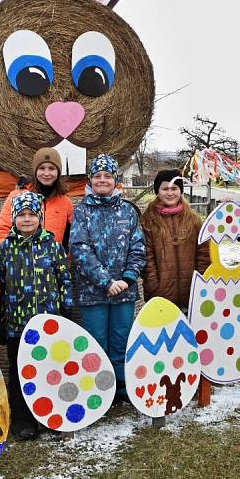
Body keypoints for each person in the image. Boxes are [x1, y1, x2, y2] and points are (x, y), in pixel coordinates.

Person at [0, 191, 72, 440]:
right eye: (22, 215)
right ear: (14, 218)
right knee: (19, 375)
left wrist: (66, 309)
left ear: (40, 217)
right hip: (17, 326)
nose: (27, 219)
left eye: (32, 215)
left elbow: (64, 279)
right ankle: (23, 421)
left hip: (48, 325)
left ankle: (50, 416)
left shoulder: (53, 246)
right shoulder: (4, 250)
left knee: (49, 371)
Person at [69, 154, 145, 400]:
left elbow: (138, 248)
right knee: (96, 342)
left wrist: (127, 278)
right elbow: (80, 249)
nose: (103, 180)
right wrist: (106, 281)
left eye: (108, 176)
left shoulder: (128, 211)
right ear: (91, 180)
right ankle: (99, 390)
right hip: (93, 293)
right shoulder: (81, 211)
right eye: (98, 176)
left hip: (124, 291)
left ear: (115, 180)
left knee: (120, 340)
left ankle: (121, 388)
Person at [140, 169, 210, 312]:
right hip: (160, 296)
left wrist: (201, 282)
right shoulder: (148, 221)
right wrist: (154, 287)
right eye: (165, 188)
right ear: (157, 191)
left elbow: (203, 254)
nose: (170, 193)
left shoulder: (193, 220)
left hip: (192, 293)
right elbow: (147, 257)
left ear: (181, 190)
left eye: (174, 188)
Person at [0, 147, 73, 246]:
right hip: (20, 257)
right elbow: (1, 231)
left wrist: (64, 259)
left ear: (58, 172)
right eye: (42, 168)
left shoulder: (65, 202)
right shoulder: (17, 196)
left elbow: (73, 237)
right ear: (35, 171)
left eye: (51, 168)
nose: (46, 173)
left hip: (53, 258)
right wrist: (10, 255)